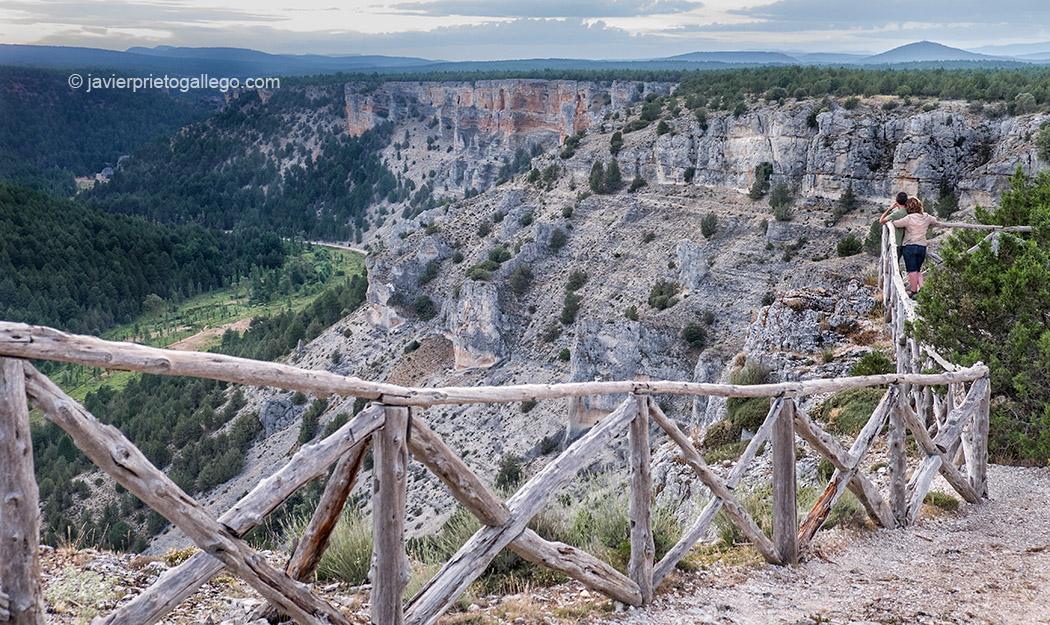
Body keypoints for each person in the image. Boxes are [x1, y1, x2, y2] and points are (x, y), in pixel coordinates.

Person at [881, 197, 937, 296]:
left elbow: (895, 224)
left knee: (912, 271)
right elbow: (935, 220)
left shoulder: (908, 218)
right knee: (918, 270)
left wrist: (893, 217)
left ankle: (914, 292)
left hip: (910, 247)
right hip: (922, 247)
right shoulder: (926, 216)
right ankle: (923, 291)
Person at [887, 191, 909, 259]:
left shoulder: (896, 214)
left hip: (897, 242)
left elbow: (881, 220)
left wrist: (890, 209)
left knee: (894, 263)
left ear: (896, 201)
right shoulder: (909, 212)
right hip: (907, 242)